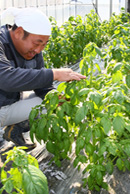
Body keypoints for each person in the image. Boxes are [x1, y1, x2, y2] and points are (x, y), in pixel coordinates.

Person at [0, 7, 86, 149]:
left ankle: (14, 130)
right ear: (19, 32)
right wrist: (55, 73)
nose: (39, 50)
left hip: (8, 104)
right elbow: (5, 78)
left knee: (50, 102)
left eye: (44, 45)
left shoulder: (33, 51)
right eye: (37, 43)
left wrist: (57, 97)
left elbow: (42, 87)